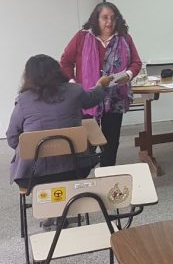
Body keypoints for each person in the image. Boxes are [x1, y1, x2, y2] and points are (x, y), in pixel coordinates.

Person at [6, 55, 112, 187]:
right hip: (75, 169)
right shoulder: (75, 91)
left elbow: (12, 138)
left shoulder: (23, 100)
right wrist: (100, 85)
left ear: (29, 76)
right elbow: (93, 98)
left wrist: (33, 148)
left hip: (32, 175)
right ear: (58, 71)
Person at [60, 2, 142, 167]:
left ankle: (107, 172)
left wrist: (128, 75)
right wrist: (73, 84)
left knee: (111, 142)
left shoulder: (125, 38)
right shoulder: (82, 37)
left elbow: (136, 63)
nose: (109, 22)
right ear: (96, 19)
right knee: (85, 143)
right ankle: (84, 175)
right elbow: (65, 62)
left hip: (115, 98)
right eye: (105, 18)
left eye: (113, 18)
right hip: (87, 98)